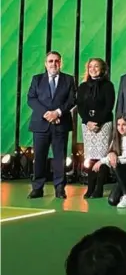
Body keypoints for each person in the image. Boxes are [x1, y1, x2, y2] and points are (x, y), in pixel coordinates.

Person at [27, 51, 76, 199]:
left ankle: (60, 188)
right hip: (40, 125)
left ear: (60, 63)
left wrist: (58, 113)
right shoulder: (37, 79)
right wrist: (47, 114)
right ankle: (37, 188)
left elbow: (72, 100)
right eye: (50, 61)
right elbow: (31, 99)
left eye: (56, 61)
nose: (53, 64)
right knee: (39, 157)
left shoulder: (69, 79)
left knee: (59, 158)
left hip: (60, 124)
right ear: (45, 63)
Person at [77, 57, 115, 198]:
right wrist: (87, 121)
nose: (93, 69)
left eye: (96, 66)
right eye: (90, 66)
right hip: (87, 125)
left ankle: (99, 189)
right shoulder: (83, 86)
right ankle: (90, 187)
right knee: (91, 156)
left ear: (102, 69)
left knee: (102, 157)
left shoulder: (108, 85)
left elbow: (109, 106)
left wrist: (98, 122)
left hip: (104, 124)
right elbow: (80, 106)